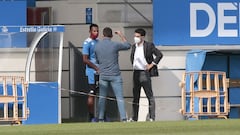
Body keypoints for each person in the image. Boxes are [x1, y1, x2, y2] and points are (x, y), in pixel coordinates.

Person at [95, 27, 131, 122]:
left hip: (103, 75)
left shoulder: (97, 46)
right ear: (111, 35)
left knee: (102, 98)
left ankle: (100, 118)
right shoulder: (115, 45)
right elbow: (128, 45)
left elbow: (97, 60)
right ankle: (123, 118)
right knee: (119, 97)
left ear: (102, 35)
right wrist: (121, 35)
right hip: (115, 75)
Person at [130, 28, 163, 121]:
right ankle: (134, 118)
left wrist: (151, 65)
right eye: (135, 36)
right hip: (136, 72)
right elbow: (132, 58)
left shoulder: (148, 45)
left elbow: (159, 55)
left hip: (144, 73)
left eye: (137, 36)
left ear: (142, 37)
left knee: (149, 96)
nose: (135, 38)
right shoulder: (134, 46)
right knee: (135, 97)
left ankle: (152, 117)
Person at [82, 23, 99, 122]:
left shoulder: (98, 42)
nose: (96, 33)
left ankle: (100, 116)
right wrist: (96, 67)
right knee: (91, 93)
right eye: (94, 31)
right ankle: (91, 116)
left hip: (99, 72)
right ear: (90, 31)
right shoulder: (87, 42)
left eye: (97, 31)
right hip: (91, 72)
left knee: (100, 94)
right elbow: (85, 59)